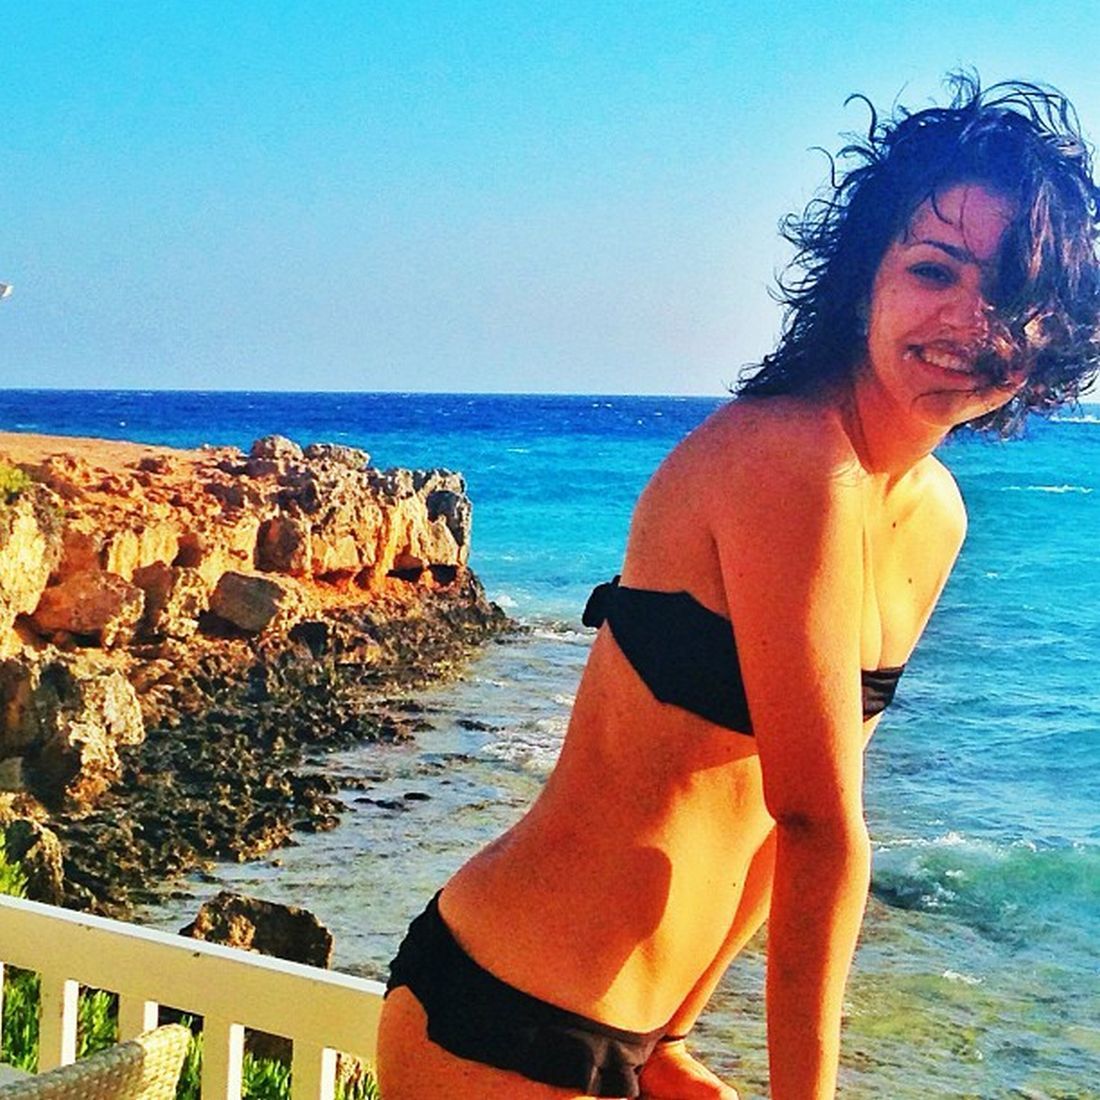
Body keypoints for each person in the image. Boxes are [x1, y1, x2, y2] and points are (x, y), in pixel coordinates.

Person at [375, 75, 1100, 1100]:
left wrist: (672, 1032)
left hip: (635, 1028)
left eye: (1015, 299)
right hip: (508, 1011)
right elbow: (818, 829)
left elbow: (772, 823)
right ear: (863, 282)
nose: (967, 320)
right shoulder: (788, 459)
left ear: (1053, 341)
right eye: (933, 269)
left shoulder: (934, 513)